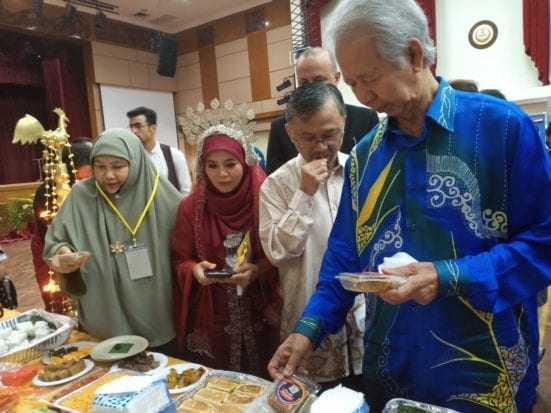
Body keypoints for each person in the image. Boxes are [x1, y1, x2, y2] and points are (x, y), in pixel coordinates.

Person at [267, 0, 551, 412]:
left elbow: (544, 241)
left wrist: (448, 274)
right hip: (393, 366)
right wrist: (307, 330)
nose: (363, 96)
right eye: (353, 85)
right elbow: (344, 257)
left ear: (415, 55)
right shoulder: (366, 157)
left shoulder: (501, 128)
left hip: (483, 372)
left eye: (372, 79)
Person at [259, 82, 364, 391]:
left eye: (330, 135)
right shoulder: (276, 185)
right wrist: (304, 194)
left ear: (344, 121)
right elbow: (278, 252)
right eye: (308, 138)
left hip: (363, 318)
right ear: (291, 133)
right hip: (308, 321)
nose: (320, 147)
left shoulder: (362, 170)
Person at [44, 128, 181, 355]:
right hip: (105, 304)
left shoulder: (160, 194)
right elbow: (57, 242)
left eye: (118, 166)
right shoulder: (81, 196)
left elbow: (189, 245)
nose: (108, 175)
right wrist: (63, 253)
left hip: (155, 303)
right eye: (100, 166)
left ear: (135, 162)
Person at [171, 124, 281, 379]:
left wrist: (258, 270)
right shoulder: (191, 208)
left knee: (265, 379)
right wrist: (194, 270)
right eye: (212, 166)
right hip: (212, 312)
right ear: (202, 167)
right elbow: (180, 258)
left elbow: (282, 252)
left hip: (260, 309)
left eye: (230, 164)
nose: (222, 174)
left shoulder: (265, 199)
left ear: (245, 162)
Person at [265, 47, 379, 175]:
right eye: (304, 83)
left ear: (336, 78)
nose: (312, 88)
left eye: (319, 80)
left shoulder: (366, 119)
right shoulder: (280, 127)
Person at [31, 137, 94, 313]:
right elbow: (50, 237)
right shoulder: (47, 193)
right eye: (82, 178)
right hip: (55, 254)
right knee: (61, 301)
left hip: (84, 252)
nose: (86, 184)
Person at [127, 106, 192, 196]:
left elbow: (186, 191)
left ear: (152, 128)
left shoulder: (174, 155)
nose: (134, 131)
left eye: (138, 126)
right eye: (131, 127)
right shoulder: (130, 156)